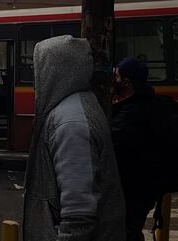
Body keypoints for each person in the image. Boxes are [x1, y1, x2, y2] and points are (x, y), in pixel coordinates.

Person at [23, 36, 125, 241]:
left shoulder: (70, 123)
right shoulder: (79, 105)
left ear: (56, 70)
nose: (37, 80)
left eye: (40, 70)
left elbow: (79, 216)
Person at [111, 58, 159, 241]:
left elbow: (114, 148)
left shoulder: (131, 114)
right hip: (145, 188)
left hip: (131, 188)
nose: (113, 81)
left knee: (126, 233)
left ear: (126, 82)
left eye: (116, 76)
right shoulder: (150, 102)